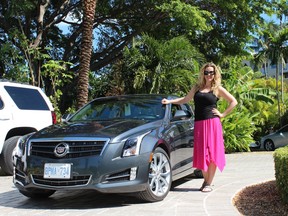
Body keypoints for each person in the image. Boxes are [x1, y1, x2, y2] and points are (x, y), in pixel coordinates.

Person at [162, 62, 237, 192]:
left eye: (211, 73)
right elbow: (185, 99)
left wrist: (222, 114)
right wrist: (170, 101)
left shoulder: (217, 88)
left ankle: (208, 183)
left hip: (213, 123)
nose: (209, 75)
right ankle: (206, 181)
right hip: (199, 124)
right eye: (206, 72)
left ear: (215, 74)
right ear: (203, 73)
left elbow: (233, 101)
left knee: (212, 153)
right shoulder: (197, 87)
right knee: (202, 152)